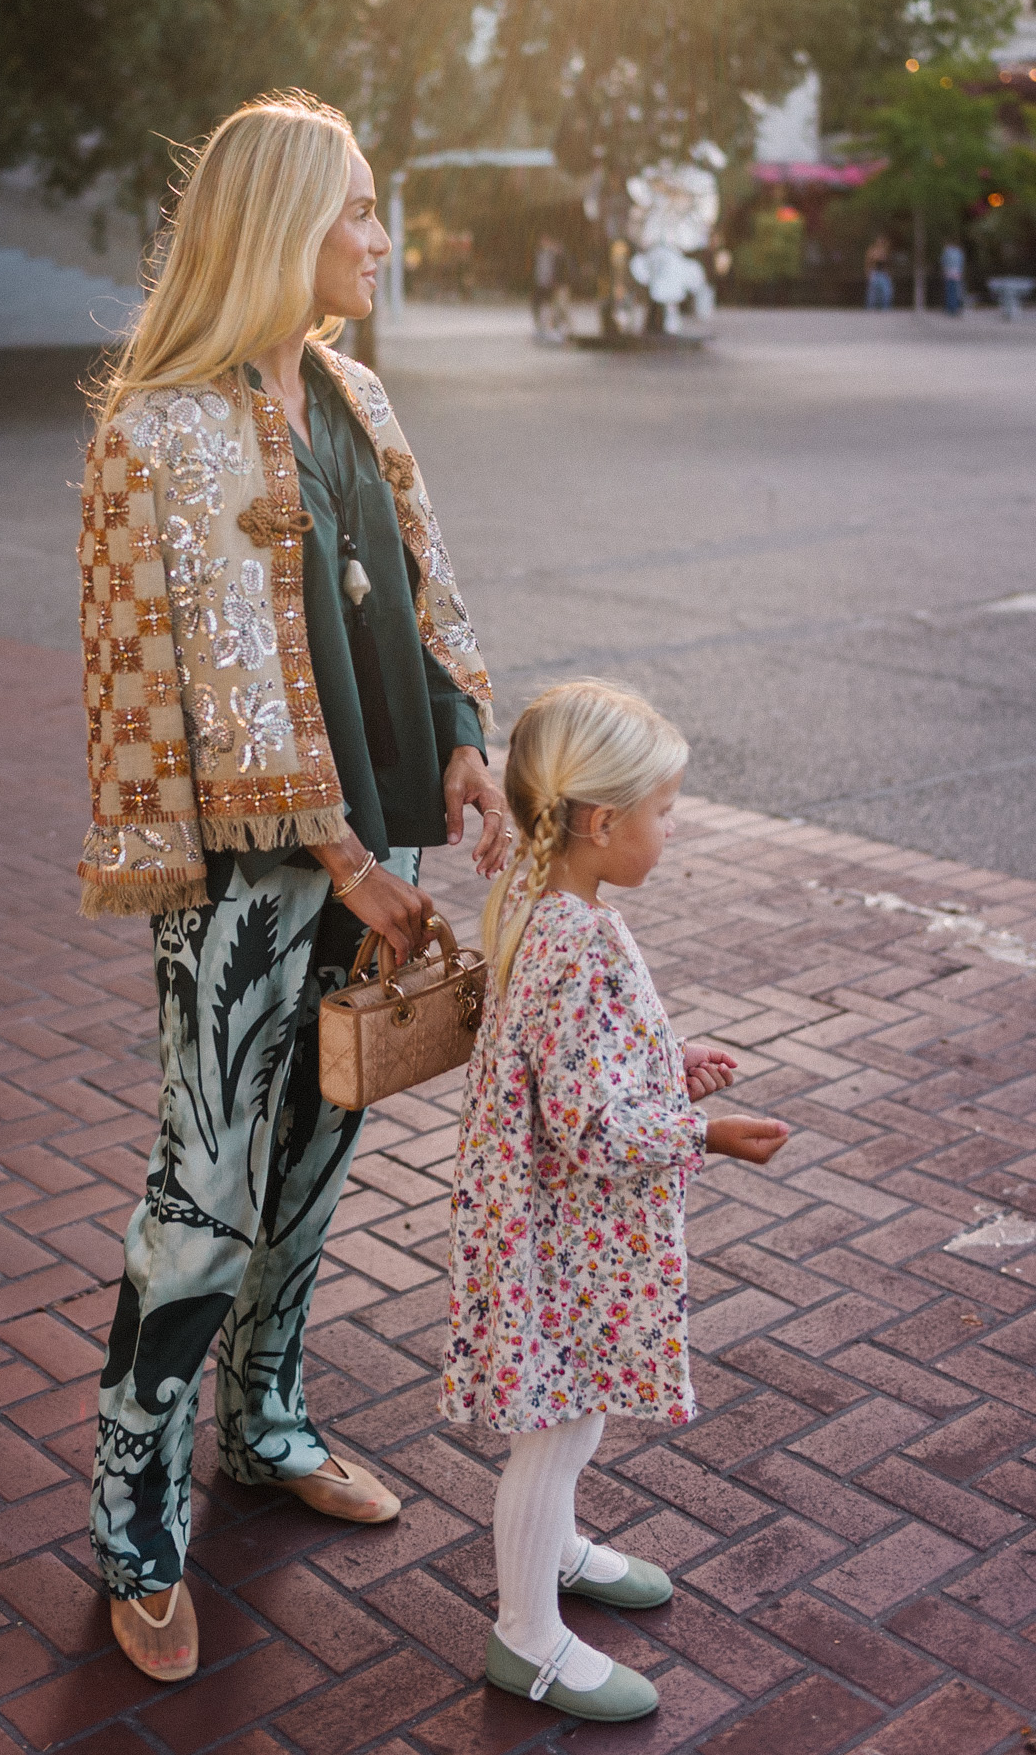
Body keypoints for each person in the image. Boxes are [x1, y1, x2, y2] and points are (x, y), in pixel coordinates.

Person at [78, 91, 509, 1681]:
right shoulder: (159, 427)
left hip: (376, 849)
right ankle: (133, 1517)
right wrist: (340, 856)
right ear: (279, 231)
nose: (382, 241)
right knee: (203, 1191)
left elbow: (419, 585)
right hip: (248, 875)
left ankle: (261, 1425)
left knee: (318, 1150)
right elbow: (201, 682)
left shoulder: (356, 400)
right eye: (359, 215)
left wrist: (460, 737)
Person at [441, 680, 790, 1723]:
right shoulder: (575, 938)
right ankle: (527, 1636)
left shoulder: (543, 897)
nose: (669, 830)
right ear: (600, 822)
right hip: (562, 1231)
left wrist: (665, 1063)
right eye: (663, 811)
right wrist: (706, 1134)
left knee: (570, 1420)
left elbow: (568, 1064)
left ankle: (557, 1547)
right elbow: (591, 1130)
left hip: (549, 1218)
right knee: (557, 1423)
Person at [865, 234, 893, 310]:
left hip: (883, 274)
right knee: (872, 294)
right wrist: (868, 273)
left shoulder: (884, 251)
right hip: (875, 273)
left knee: (887, 291)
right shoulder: (872, 251)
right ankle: (870, 309)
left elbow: (887, 264)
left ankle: (885, 308)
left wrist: (888, 274)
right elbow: (868, 262)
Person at [941, 239, 966, 316]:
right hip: (957, 273)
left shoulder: (947, 252)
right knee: (956, 292)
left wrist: (945, 271)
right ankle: (956, 308)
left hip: (949, 273)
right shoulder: (959, 252)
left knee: (950, 291)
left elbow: (943, 262)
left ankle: (951, 309)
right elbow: (961, 263)